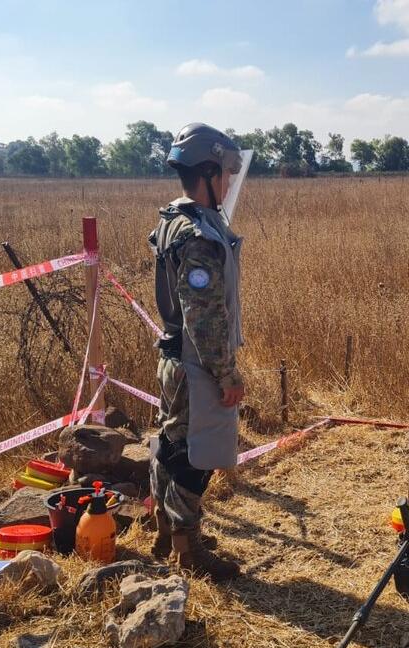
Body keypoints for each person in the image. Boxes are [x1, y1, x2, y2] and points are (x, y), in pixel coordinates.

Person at [147, 123, 245, 581]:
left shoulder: (173, 220)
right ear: (208, 172)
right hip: (194, 362)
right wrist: (226, 375)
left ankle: (166, 531)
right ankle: (187, 550)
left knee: (171, 444)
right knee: (194, 456)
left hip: (174, 356)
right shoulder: (200, 237)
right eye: (224, 173)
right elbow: (204, 318)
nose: (228, 183)